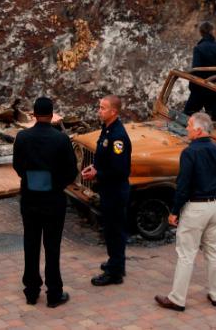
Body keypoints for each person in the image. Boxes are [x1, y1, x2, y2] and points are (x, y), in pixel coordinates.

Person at [155, 112, 216, 312]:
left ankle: (177, 299)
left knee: (186, 254)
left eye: (188, 125)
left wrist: (174, 211)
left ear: (198, 130)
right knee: (214, 251)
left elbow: (183, 185)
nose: (186, 128)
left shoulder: (190, 152)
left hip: (196, 208)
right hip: (215, 206)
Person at [13, 96, 78, 308]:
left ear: (33, 114)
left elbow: (17, 166)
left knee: (30, 245)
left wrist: (32, 179)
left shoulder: (22, 137)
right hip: (53, 201)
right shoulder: (61, 139)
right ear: (52, 115)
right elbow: (71, 171)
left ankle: (31, 291)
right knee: (52, 247)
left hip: (30, 199)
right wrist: (55, 184)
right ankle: (54, 292)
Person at [81, 94, 131, 286]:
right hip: (109, 189)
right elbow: (104, 158)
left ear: (114, 112)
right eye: (99, 107)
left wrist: (98, 174)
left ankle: (115, 272)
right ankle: (116, 263)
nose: (99, 110)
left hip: (115, 191)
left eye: (103, 108)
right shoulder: (108, 130)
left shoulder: (118, 137)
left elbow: (119, 169)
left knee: (114, 230)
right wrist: (95, 168)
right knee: (111, 229)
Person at [183, 21, 216, 121]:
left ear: (201, 33)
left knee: (187, 115)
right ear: (212, 32)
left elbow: (196, 69)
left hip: (200, 89)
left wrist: (192, 88)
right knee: (212, 120)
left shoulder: (199, 48)